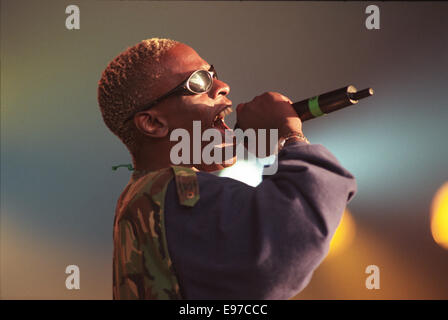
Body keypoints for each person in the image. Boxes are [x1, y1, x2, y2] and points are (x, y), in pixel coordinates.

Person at [97, 38, 357, 300]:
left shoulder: (143, 199)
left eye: (213, 74)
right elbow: (294, 232)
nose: (223, 86)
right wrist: (291, 135)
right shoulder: (168, 192)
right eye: (199, 81)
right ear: (153, 123)